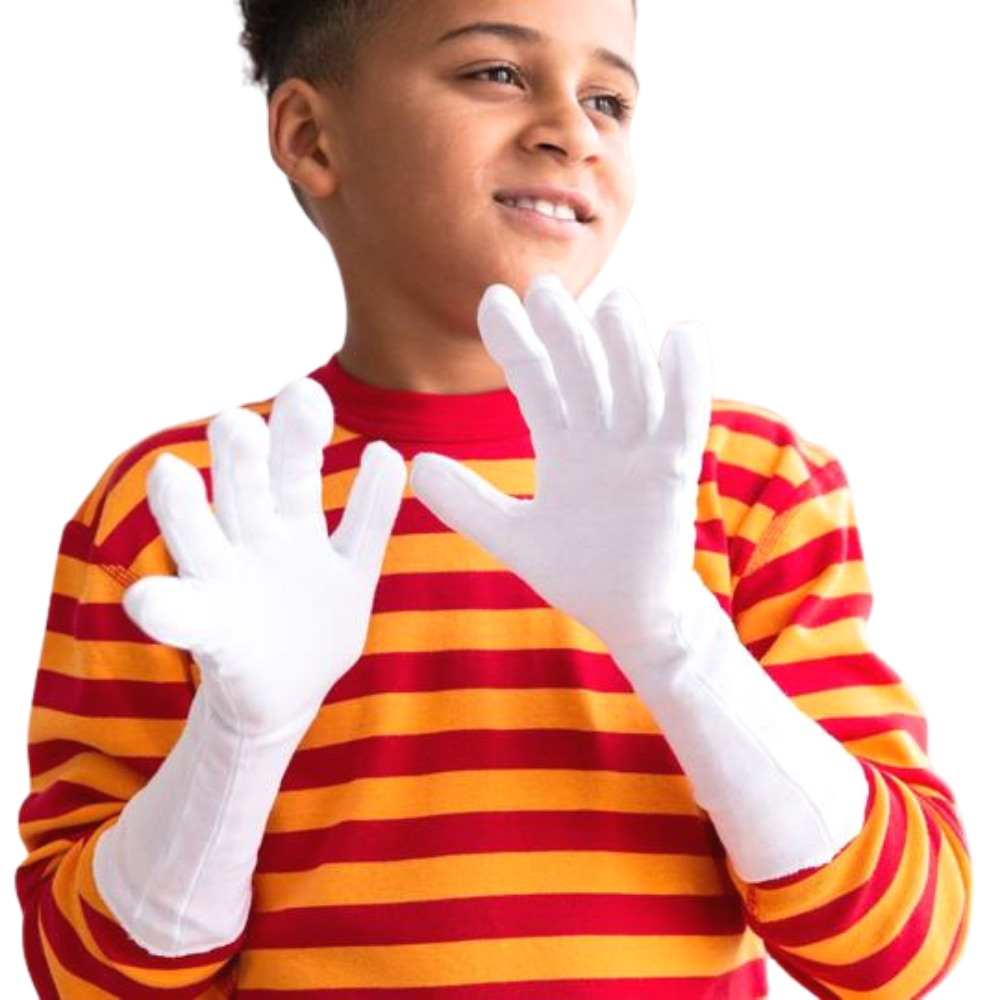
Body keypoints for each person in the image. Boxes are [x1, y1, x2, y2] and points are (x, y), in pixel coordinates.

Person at [15, 0, 971, 996]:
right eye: (495, 75)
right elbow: (89, 977)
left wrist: (678, 644)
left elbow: (891, 951)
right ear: (310, 137)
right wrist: (237, 742)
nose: (572, 127)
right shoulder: (189, 510)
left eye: (608, 97)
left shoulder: (744, 484)